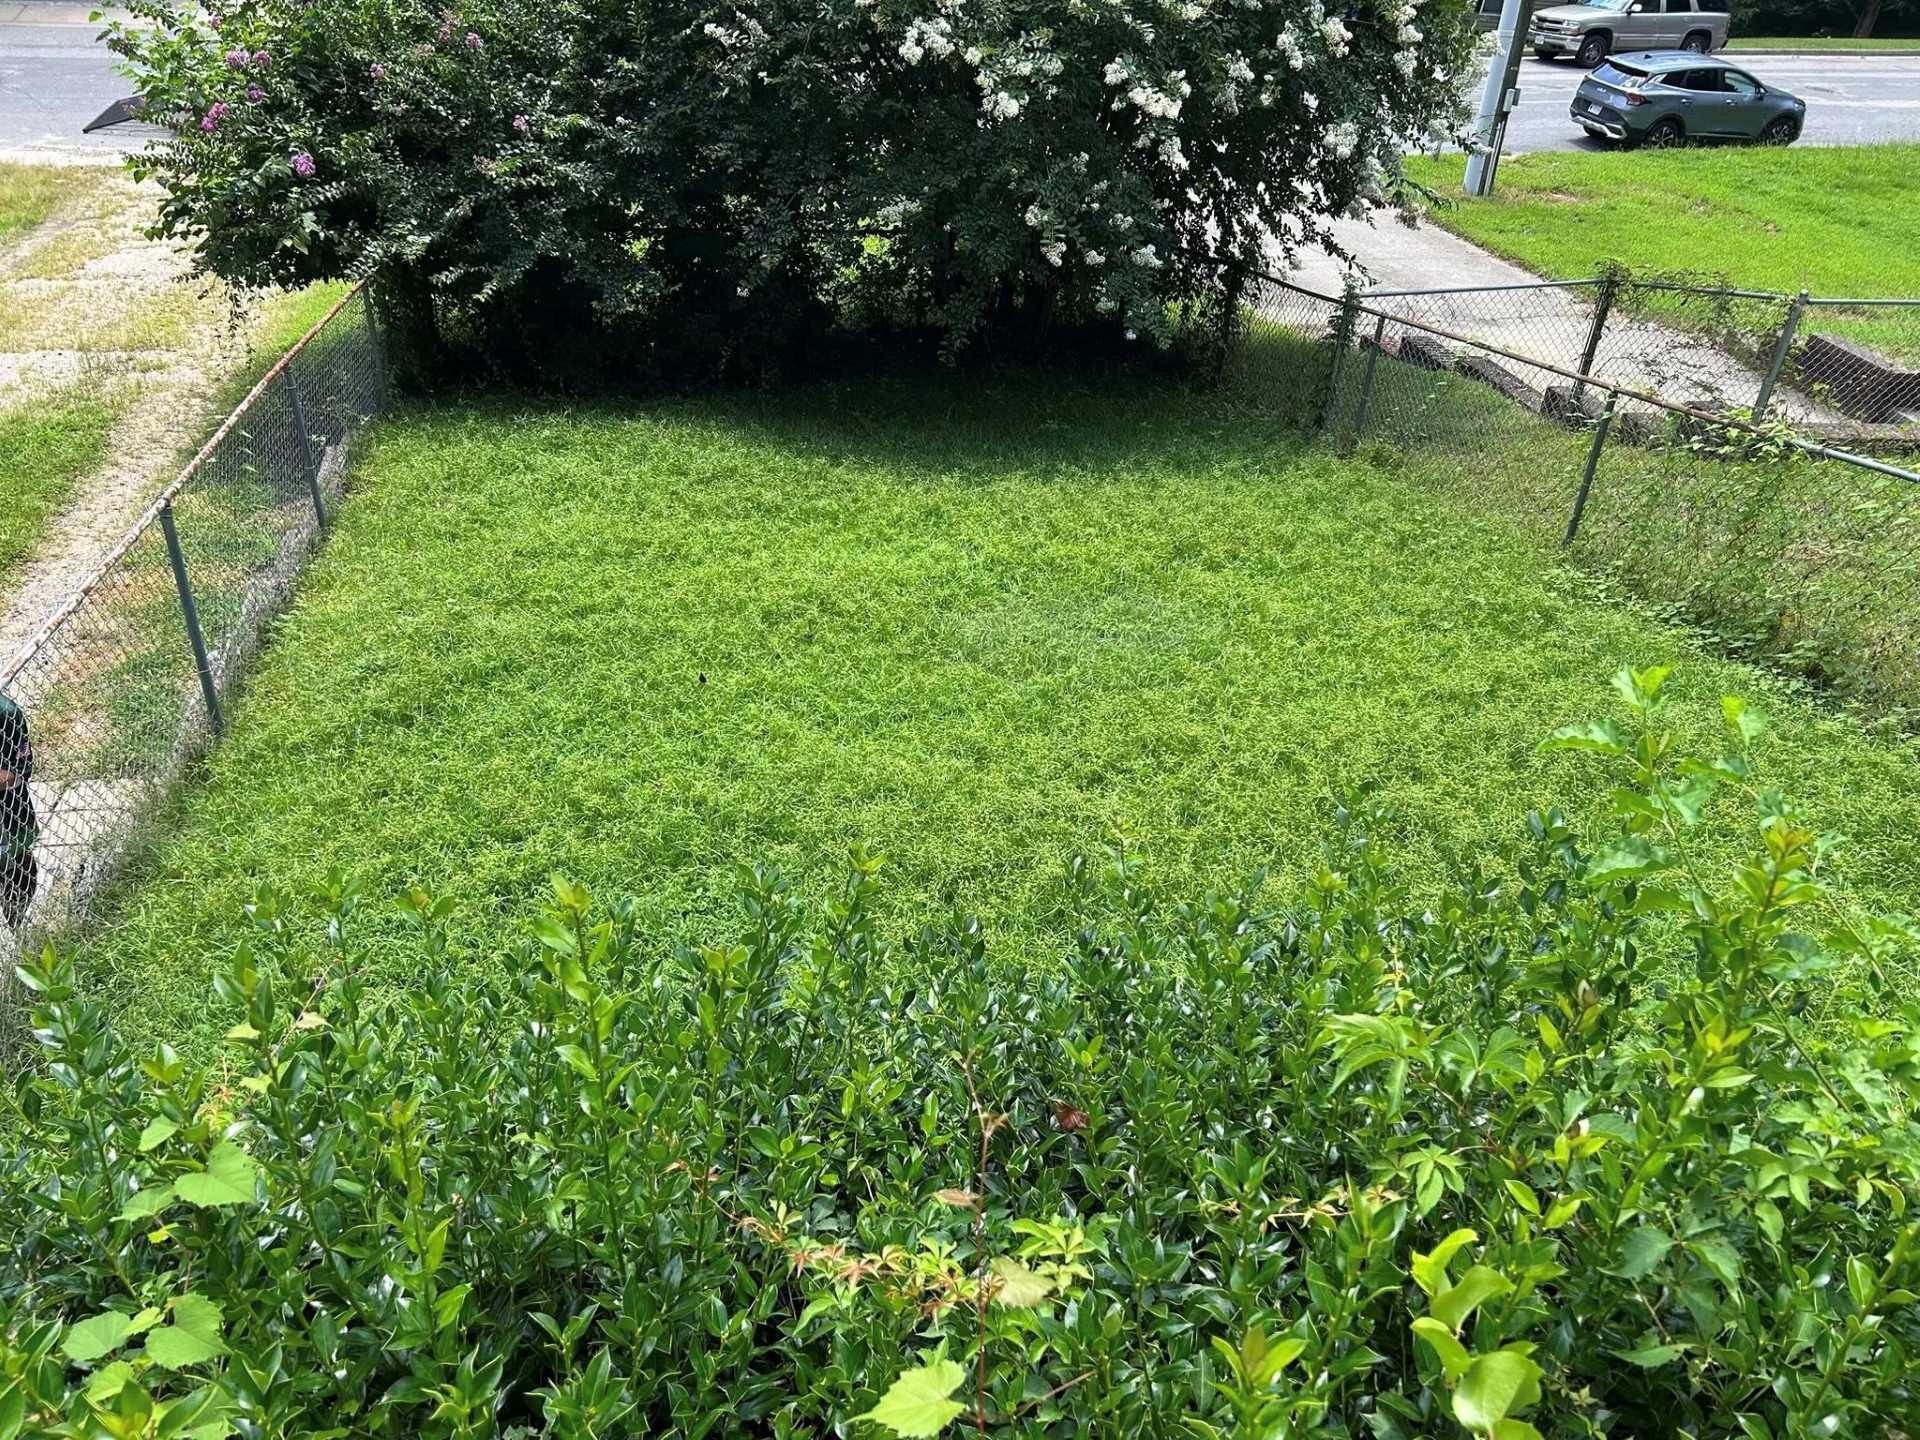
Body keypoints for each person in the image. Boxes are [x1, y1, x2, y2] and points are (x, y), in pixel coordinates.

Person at [0, 689, 36, 929]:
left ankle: (18, 927)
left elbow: (16, 773)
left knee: (19, 872)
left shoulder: (6, 714)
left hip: (8, 817)